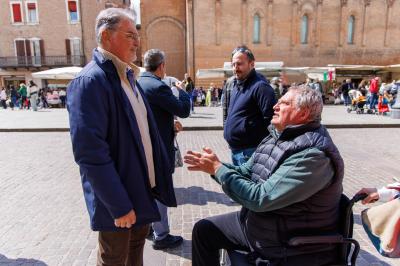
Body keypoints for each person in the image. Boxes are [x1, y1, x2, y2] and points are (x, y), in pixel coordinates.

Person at [185, 86, 344, 266]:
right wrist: (215, 166)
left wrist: (218, 169)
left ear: (304, 113)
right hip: (261, 225)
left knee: (207, 232)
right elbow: (246, 171)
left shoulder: (313, 156)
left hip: (285, 241)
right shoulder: (277, 135)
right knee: (204, 230)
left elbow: (260, 198)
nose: (275, 106)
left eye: (284, 103)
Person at [66, 8, 176, 266]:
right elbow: (90, 154)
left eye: (137, 35)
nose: (137, 42)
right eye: (129, 35)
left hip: (141, 192)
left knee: (136, 252)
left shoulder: (127, 76)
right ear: (106, 36)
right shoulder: (90, 82)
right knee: (114, 259)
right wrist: (118, 205)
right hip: (119, 201)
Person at [138, 49, 190, 250]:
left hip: (143, 146)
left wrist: (169, 124)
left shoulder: (137, 83)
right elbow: (183, 110)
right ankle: (161, 235)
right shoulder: (158, 87)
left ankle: (149, 228)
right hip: (158, 149)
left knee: (148, 189)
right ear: (161, 66)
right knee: (159, 191)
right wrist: (183, 91)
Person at [223, 45, 276, 166]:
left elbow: (272, 119)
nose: (235, 68)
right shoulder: (236, 84)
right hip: (236, 150)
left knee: (248, 183)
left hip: (250, 151)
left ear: (251, 64)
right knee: (239, 183)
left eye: (239, 64)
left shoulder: (260, 87)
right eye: (233, 65)